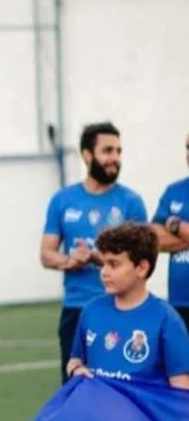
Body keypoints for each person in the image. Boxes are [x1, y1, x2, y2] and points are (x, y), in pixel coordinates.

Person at [40, 122, 148, 381]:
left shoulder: (130, 202)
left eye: (118, 151)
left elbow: (141, 262)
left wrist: (97, 258)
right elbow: (46, 254)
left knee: (119, 383)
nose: (114, 158)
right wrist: (69, 261)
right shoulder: (62, 200)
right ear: (87, 155)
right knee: (75, 384)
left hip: (120, 307)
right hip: (76, 310)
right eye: (107, 150)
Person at [66, 223, 189, 387]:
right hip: (99, 411)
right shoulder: (92, 310)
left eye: (114, 264)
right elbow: (75, 359)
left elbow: (181, 390)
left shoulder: (166, 319)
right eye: (103, 264)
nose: (104, 272)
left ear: (141, 268)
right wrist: (75, 370)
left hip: (142, 413)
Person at [150, 133, 189, 327]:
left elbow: (165, 232)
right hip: (179, 302)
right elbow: (153, 238)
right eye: (188, 147)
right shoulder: (174, 191)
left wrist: (176, 225)